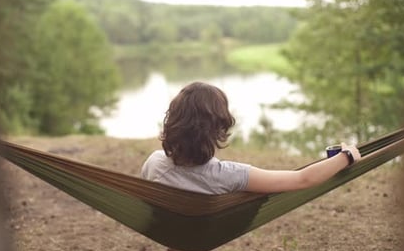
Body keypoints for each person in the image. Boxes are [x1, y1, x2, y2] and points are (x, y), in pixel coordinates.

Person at [141, 81, 361, 195]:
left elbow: (152, 206)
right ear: (218, 128)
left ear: (174, 121)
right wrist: (346, 156)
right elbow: (302, 179)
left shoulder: (155, 163)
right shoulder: (228, 176)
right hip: (202, 235)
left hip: (170, 232)